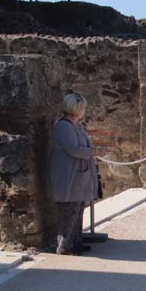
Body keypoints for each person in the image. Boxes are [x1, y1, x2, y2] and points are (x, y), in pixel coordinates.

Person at [49, 92, 97, 255]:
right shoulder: (64, 126)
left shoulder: (76, 125)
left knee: (77, 212)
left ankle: (76, 241)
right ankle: (64, 245)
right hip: (69, 177)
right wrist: (90, 152)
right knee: (68, 213)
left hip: (78, 177)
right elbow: (73, 149)